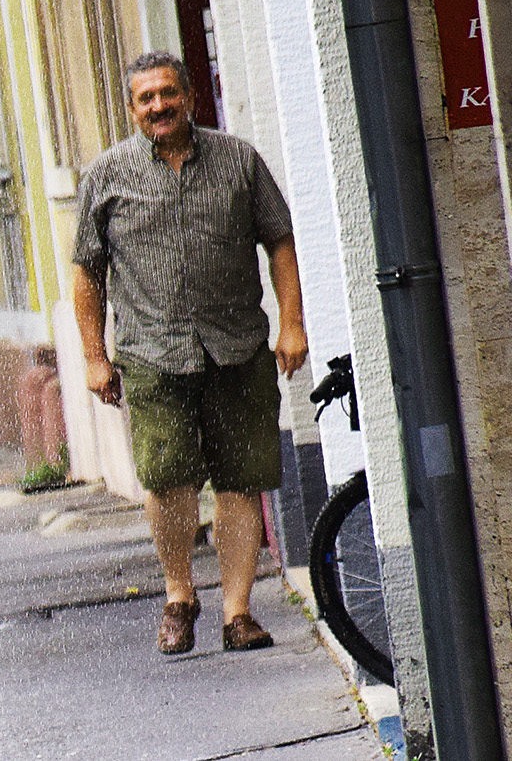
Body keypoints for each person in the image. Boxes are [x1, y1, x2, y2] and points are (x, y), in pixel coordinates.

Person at [70, 51, 308, 655]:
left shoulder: (238, 161)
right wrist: (94, 357)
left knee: (240, 481)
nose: (159, 106)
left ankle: (238, 612)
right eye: (146, 98)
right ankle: (179, 595)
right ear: (131, 108)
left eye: (168, 94)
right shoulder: (107, 175)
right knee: (167, 480)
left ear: (190, 96)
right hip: (151, 353)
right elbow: (87, 273)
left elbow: (279, 242)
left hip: (237, 346)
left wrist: (292, 325)